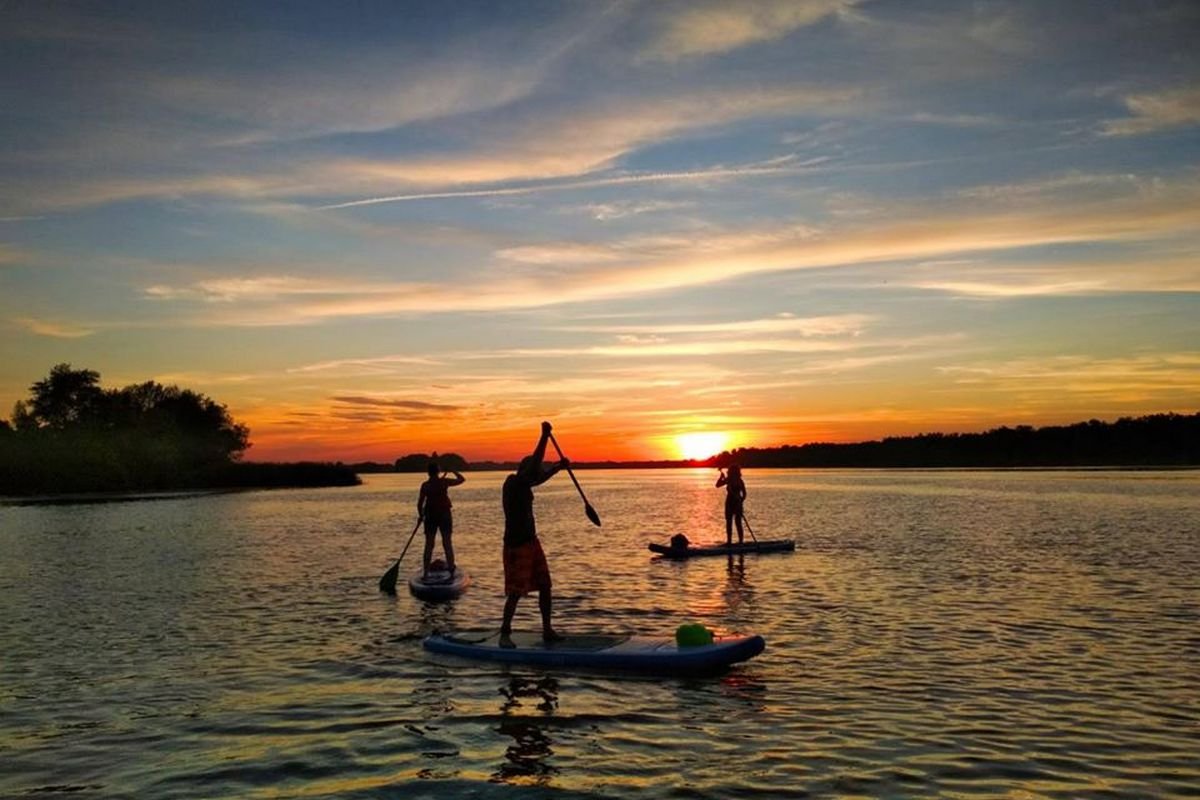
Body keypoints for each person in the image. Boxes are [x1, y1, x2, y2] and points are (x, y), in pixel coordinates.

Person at [500, 421, 568, 647]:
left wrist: (557, 468)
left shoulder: (526, 483)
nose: (535, 477)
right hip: (516, 546)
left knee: (545, 586)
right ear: (525, 470)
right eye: (533, 472)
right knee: (516, 592)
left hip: (532, 542)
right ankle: (505, 630)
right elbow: (535, 469)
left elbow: (538, 477)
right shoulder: (513, 483)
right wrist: (544, 437)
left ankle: (547, 629)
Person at [417, 461, 465, 579]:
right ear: (438, 471)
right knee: (447, 543)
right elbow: (461, 479)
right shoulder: (444, 482)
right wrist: (453, 470)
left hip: (430, 515)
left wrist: (421, 515)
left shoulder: (425, 485)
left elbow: (419, 504)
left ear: (428, 473)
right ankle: (451, 570)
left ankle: (426, 573)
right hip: (444, 515)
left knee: (429, 544)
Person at [716, 464, 747, 545]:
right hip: (729, 502)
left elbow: (744, 493)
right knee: (729, 522)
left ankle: (741, 542)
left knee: (738, 522)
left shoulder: (740, 481)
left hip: (737, 503)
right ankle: (729, 541)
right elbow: (718, 485)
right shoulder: (728, 479)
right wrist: (721, 477)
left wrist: (740, 501)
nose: (729, 472)